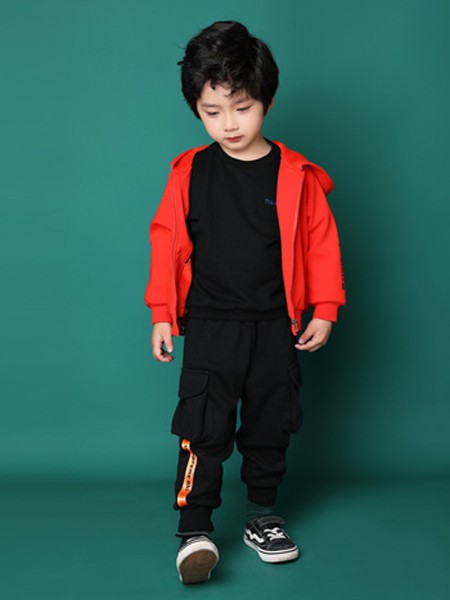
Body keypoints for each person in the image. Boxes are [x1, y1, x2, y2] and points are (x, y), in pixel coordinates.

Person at [144, 20, 346, 584]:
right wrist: (161, 313)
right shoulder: (190, 172)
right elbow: (166, 241)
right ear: (196, 109)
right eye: (212, 112)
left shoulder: (297, 175)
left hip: (276, 325)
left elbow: (321, 242)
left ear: (267, 102)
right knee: (203, 426)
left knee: (269, 424)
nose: (229, 124)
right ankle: (195, 528)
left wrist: (325, 308)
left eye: (242, 108)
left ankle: (263, 516)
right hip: (211, 324)